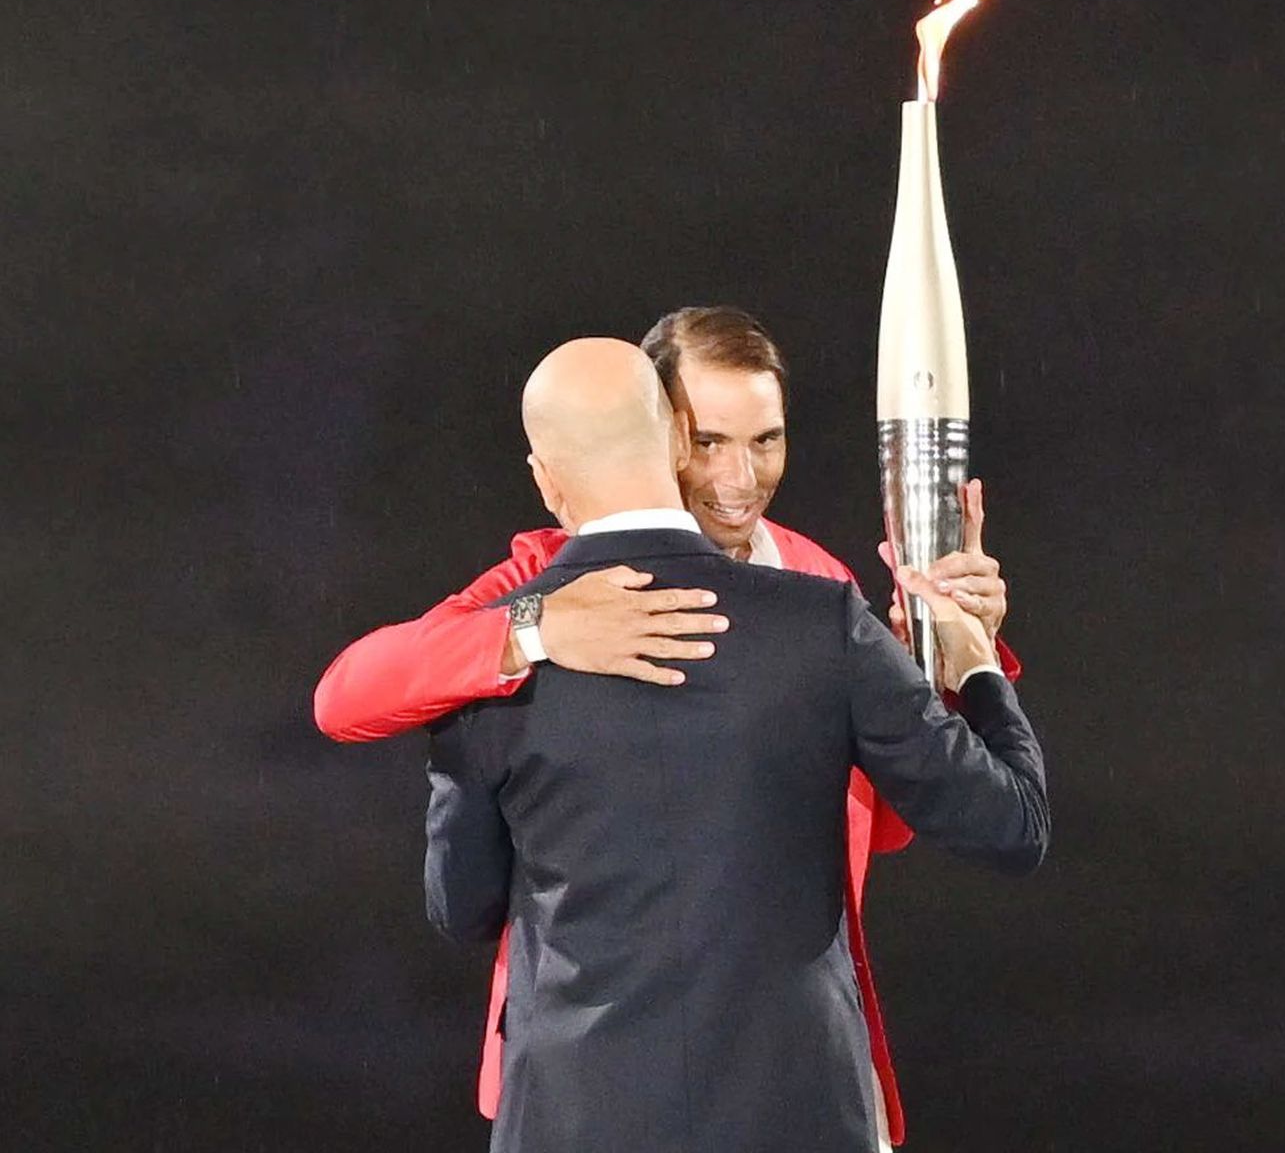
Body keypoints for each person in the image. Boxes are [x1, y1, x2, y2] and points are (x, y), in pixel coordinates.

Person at [313, 307, 1020, 1143]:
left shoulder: (814, 587)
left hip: (789, 1069)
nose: (739, 478)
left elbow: (879, 826)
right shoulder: (545, 574)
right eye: (707, 440)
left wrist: (941, 664)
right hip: (591, 1070)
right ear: (655, 432)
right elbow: (346, 698)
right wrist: (530, 631)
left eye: (766, 440)